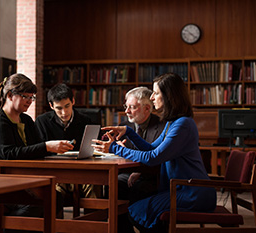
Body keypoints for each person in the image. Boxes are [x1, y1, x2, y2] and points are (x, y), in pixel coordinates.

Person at [92, 73, 216, 232]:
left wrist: (114, 148)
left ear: (169, 96)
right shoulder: (173, 123)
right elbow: (151, 149)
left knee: (136, 211)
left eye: (156, 93)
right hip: (181, 189)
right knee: (136, 210)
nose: (151, 98)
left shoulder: (182, 124)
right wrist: (129, 132)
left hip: (192, 192)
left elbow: (153, 158)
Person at [0, 73, 72, 224]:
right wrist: (47, 146)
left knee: (55, 197)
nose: (30, 101)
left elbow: (36, 147)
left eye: (32, 97)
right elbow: (9, 154)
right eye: (26, 97)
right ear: (10, 95)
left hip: (15, 177)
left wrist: (52, 149)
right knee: (32, 203)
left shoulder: (26, 120)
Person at [35, 83, 100, 200]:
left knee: (95, 184)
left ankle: (94, 218)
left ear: (73, 102)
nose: (64, 112)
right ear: (51, 106)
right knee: (54, 192)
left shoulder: (86, 121)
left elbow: (93, 148)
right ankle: (55, 219)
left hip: (82, 171)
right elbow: (39, 151)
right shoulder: (42, 122)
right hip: (55, 172)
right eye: (59, 108)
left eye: (67, 106)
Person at [116, 87, 165, 233]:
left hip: (154, 176)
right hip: (127, 173)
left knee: (139, 189)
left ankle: (149, 227)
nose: (127, 111)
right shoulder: (124, 126)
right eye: (126, 106)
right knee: (113, 186)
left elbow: (160, 157)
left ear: (147, 108)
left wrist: (141, 171)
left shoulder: (162, 127)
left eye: (132, 107)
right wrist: (115, 146)